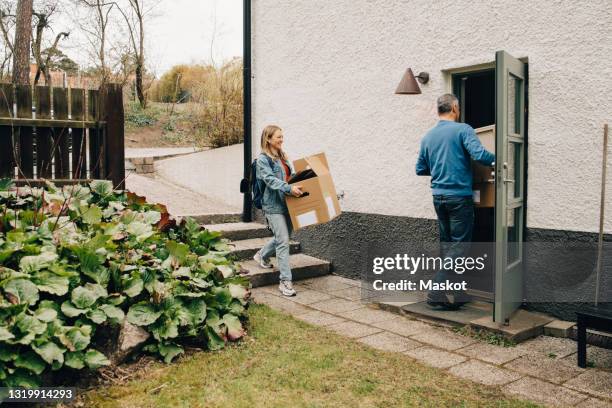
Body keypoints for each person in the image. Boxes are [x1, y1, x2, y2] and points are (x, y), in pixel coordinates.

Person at [416, 94, 495, 310]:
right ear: (454, 107)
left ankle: (459, 293)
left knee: (449, 246)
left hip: (438, 197)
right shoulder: (463, 130)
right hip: (459, 197)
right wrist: (500, 158)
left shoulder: (428, 136)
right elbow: (479, 154)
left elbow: (420, 169)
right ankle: (435, 291)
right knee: (460, 247)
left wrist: (442, 167)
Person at [253, 125, 303, 297]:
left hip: (287, 203)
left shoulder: (283, 156)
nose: (282, 140)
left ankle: (261, 255)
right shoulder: (262, 160)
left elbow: (289, 176)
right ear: (268, 139)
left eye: (282, 137)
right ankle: (285, 281)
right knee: (283, 241)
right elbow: (270, 180)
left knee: (283, 237)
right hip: (273, 206)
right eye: (278, 137)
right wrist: (289, 188)